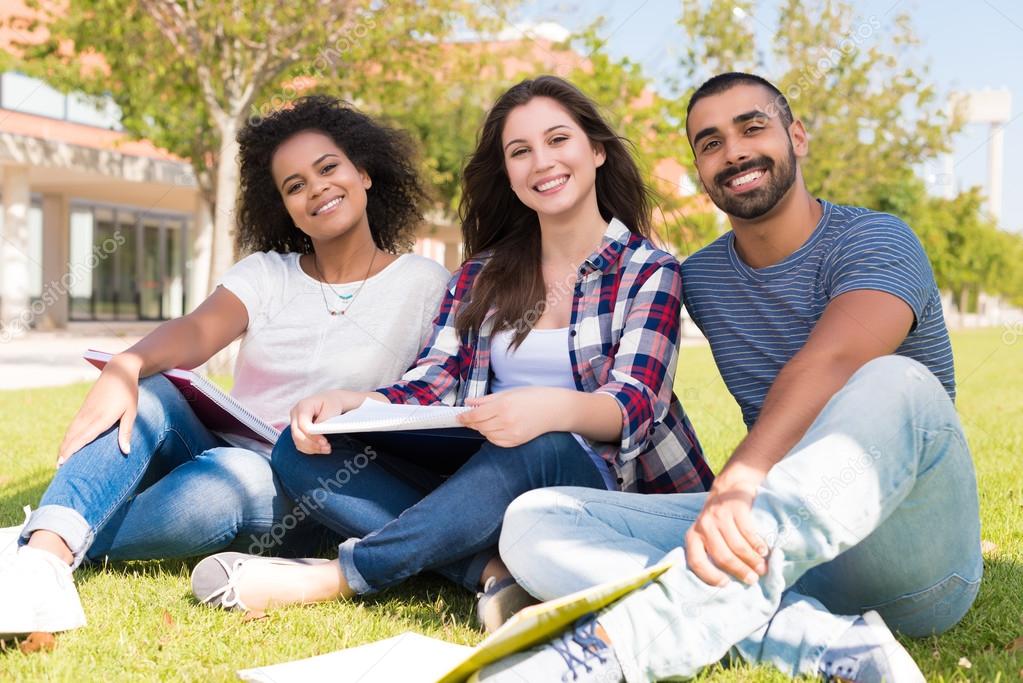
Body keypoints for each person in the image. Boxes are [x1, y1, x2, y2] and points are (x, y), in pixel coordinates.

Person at [476, 72, 980, 682]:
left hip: (907, 553)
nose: (734, 151)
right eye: (710, 143)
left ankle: (624, 644)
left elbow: (832, 361)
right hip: (776, 549)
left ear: (797, 136)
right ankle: (813, 638)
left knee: (895, 381)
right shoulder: (704, 279)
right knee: (536, 518)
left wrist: (739, 479)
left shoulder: (878, 239)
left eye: (753, 127)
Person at [189, 75, 714, 631]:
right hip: (484, 473)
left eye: (558, 141)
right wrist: (354, 402)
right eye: (520, 151)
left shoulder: (647, 270)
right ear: (509, 175)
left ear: (597, 151)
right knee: (303, 452)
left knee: (538, 444)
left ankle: (335, 578)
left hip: (596, 480)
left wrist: (547, 409)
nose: (542, 162)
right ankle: (489, 570)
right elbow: (433, 383)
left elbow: (634, 404)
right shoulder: (481, 275)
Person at [0, 95, 451, 639]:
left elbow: (431, 393)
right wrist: (126, 364)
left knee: (236, 477)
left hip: (313, 482)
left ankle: (35, 537)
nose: (317, 189)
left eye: (328, 168)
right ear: (282, 206)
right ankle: (43, 559)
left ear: (364, 173)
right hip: (223, 440)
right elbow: (196, 331)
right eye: (295, 185)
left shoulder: (426, 283)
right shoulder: (267, 273)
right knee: (154, 389)